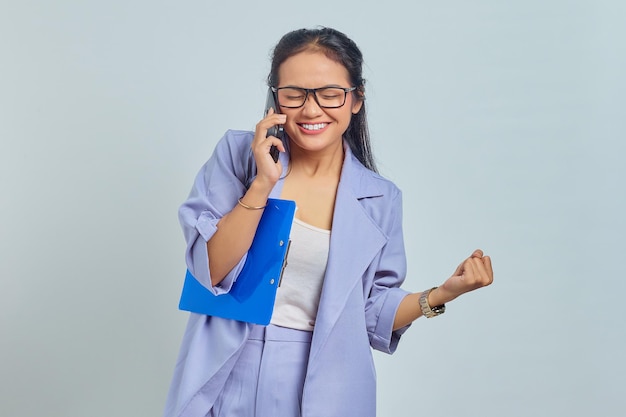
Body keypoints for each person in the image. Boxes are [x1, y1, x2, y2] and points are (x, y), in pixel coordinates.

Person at [163, 27, 493, 417]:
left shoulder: (379, 199)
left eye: (330, 94)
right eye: (294, 94)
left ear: (356, 100)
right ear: (275, 97)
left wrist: (441, 295)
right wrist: (262, 184)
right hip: (226, 362)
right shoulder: (240, 155)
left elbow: (369, 313)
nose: (311, 110)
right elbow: (210, 270)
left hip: (319, 376)